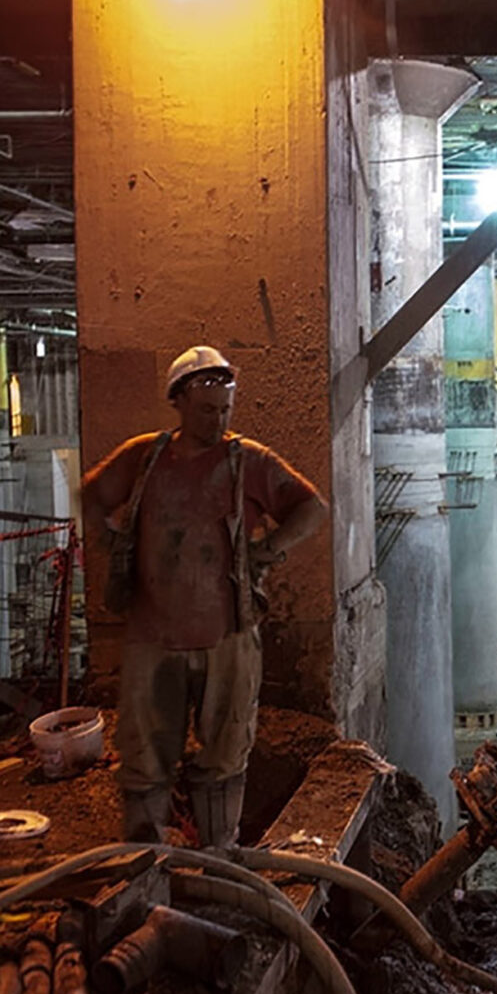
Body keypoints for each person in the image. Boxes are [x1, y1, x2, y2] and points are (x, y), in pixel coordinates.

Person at [82, 346, 327, 847]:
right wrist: (111, 543)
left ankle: (221, 859)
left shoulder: (248, 462)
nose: (216, 421)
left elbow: (311, 507)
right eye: (205, 411)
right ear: (179, 403)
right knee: (144, 761)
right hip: (153, 640)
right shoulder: (144, 457)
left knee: (224, 755)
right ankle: (144, 865)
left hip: (227, 639)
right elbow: (91, 496)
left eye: (224, 411)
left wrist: (269, 550)